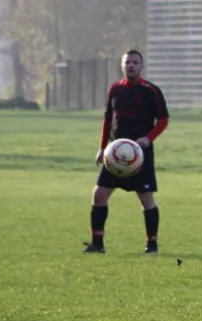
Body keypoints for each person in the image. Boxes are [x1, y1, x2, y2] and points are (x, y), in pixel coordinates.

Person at [82, 49, 169, 254]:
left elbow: (163, 120)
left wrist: (148, 138)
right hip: (114, 154)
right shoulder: (115, 89)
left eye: (135, 62)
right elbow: (108, 120)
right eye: (128, 62)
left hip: (140, 154)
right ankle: (97, 243)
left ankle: (152, 245)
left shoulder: (151, 90)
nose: (131, 65)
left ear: (141, 66)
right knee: (99, 194)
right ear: (122, 65)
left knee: (146, 197)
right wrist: (102, 148)